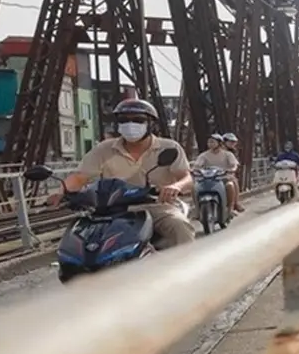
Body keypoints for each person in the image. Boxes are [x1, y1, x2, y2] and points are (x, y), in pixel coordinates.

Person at [50, 99, 196, 248]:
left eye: (138, 120)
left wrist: (176, 187)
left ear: (151, 124)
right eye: (123, 120)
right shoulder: (104, 149)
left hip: (156, 206)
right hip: (112, 211)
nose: (130, 124)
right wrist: (61, 192)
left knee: (179, 226)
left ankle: (188, 269)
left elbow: (186, 177)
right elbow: (80, 177)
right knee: (80, 243)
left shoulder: (169, 147)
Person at [193, 133, 241, 214]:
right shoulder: (204, 155)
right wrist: (194, 170)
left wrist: (232, 169)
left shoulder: (228, 154)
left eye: (212, 142)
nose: (210, 144)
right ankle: (198, 210)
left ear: (219, 143)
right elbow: (197, 165)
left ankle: (231, 208)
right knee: (194, 187)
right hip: (208, 178)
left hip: (223, 177)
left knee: (230, 185)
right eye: (209, 142)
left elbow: (234, 165)